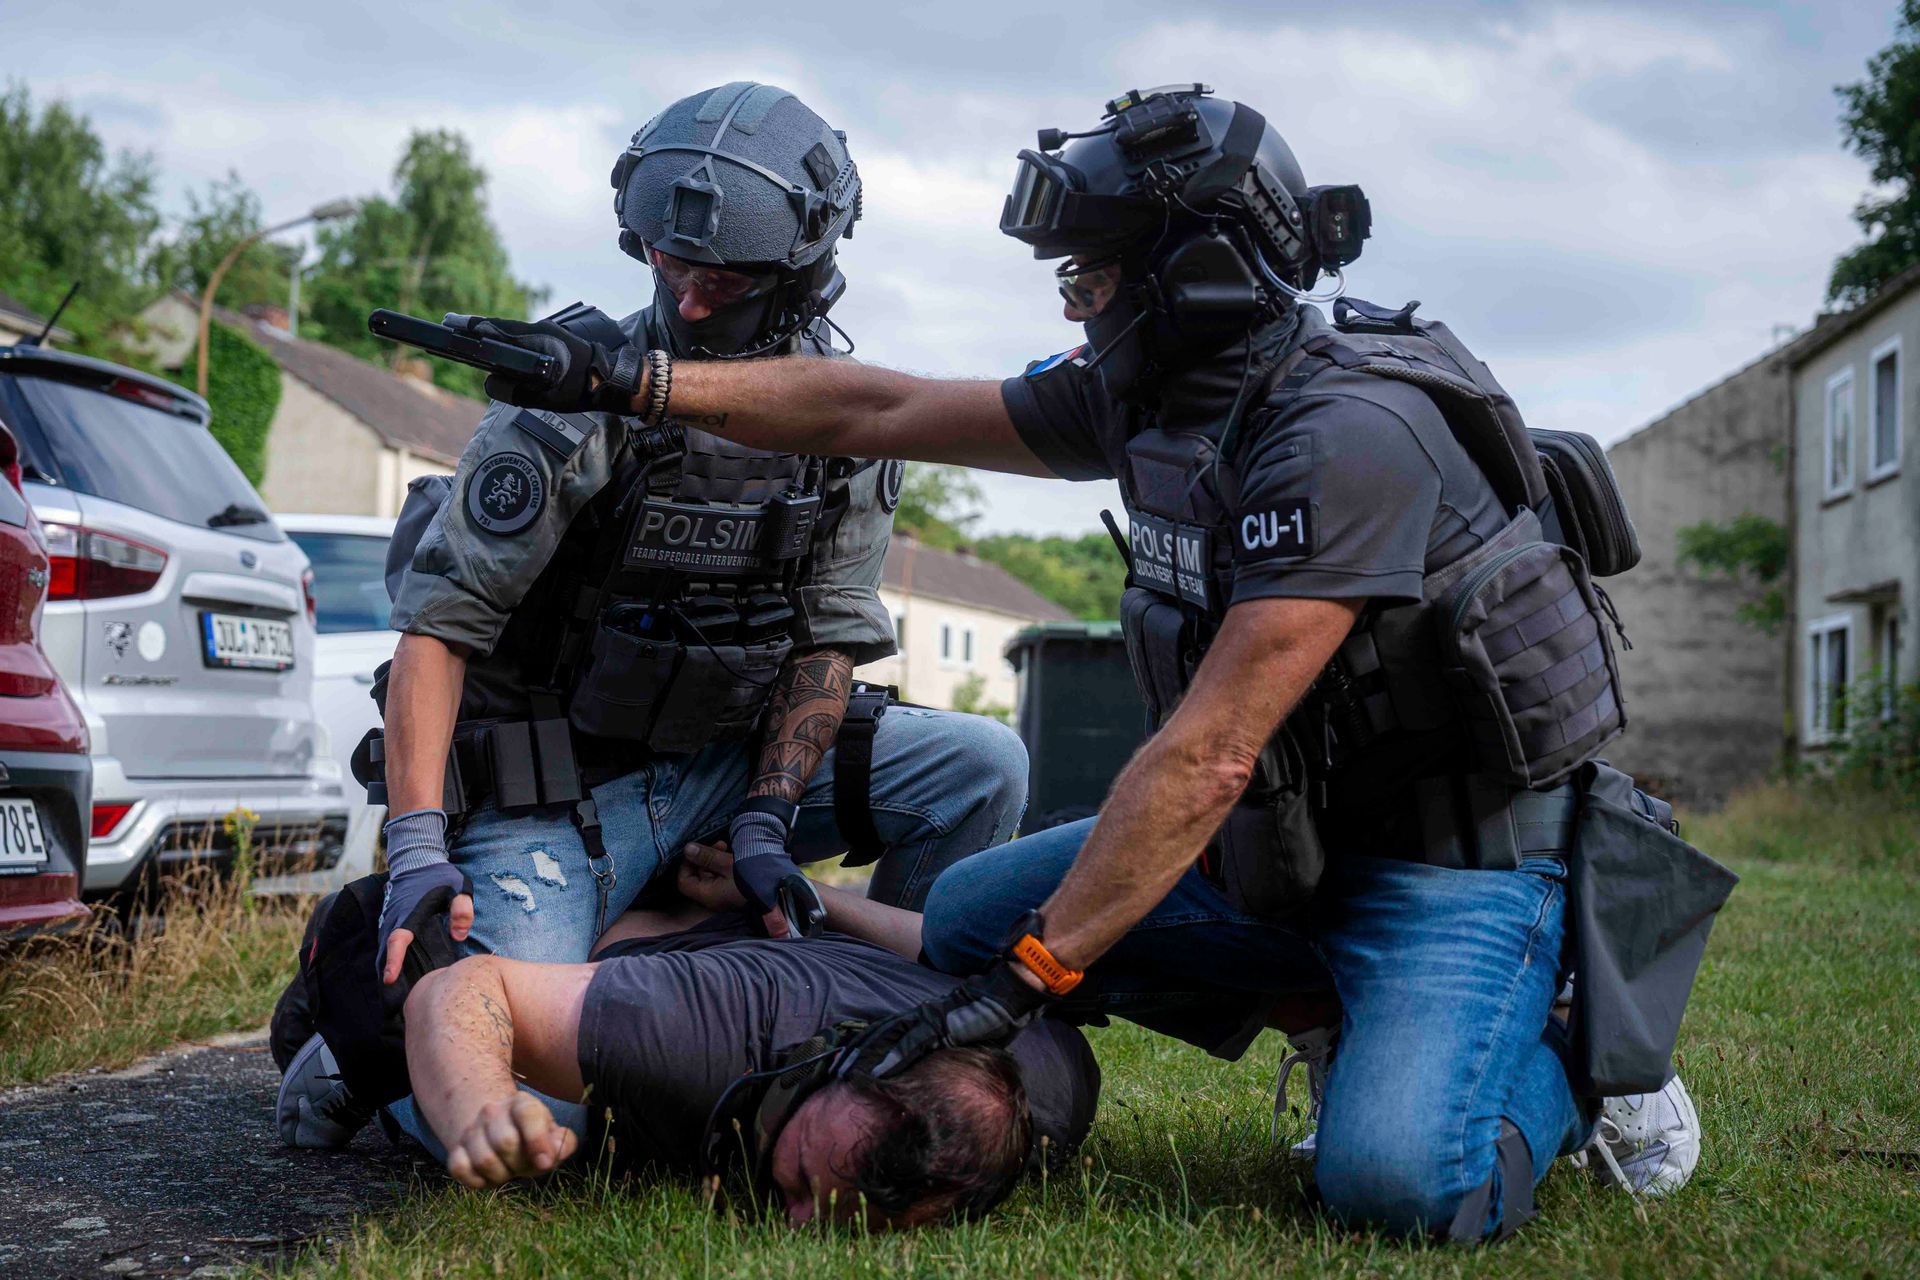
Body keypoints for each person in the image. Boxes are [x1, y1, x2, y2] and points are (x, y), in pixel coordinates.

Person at [450, 84, 1715, 1242]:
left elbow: (1209, 755)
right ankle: (1342, 1009)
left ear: (1200, 276)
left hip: (1452, 864)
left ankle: (1575, 1054)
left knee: (1397, 1184)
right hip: (1295, 841)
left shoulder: (1347, 435)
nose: (1073, 301)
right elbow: (876, 408)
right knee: (965, 915)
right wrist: (640, 380)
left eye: (1091, 276)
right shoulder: (1155, 394)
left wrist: (1027, 986)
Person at [276, 82, 1028, 1148]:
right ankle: (354, 1018)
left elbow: (826, 642)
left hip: (727, 766)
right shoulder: (566, 406)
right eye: (668, 266)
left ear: (806, 269)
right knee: (547, 1111)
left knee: (980, 766)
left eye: (723, 277)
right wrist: (414, 851)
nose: (693, 301)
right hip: (559, 794)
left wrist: (768, 815)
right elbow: (436, 634)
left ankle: (872, 1035)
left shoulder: (846, 423)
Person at [402, 850, 1099, 1229]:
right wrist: (481, 1106)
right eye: (794, 1177)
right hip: (649, 913)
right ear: (823, 1064)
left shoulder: (1056, 1089)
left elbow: (939, 949)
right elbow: (463, 987)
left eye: (830, 1219)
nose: (788, 1226)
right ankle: (334, 1035)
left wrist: (812, 898)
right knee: (528, 1115)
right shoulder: (701, 1033)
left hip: (779, 929)